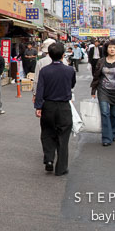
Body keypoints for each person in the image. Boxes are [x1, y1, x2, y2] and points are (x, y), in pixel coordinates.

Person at [34, 42, 76, 176]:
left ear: (49, 55)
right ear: (63, 55)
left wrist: (38, 106)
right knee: (63, 136)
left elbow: (40, 89)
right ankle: (61, 167)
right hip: (64, 106)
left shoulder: (44, 71)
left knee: (47, 133)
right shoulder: (70, 70)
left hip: (48, 106)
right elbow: (72, 84)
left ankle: (49, 159)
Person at [90, 40, 115, 146]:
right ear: (106, 49)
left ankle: (114, 133)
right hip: (103, 90)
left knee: (113, 114)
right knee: (104, 113)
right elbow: (96, 76)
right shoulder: (101, 61)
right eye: (110, 47)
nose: (112, 49)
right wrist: (93, 90)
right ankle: (106, 138)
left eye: (114, 48)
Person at [32, 38, 56, 104]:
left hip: (45, 93)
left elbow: (36, 79)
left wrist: (35, 94)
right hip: (61, 95)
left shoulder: (41, 62)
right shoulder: (64, 61)